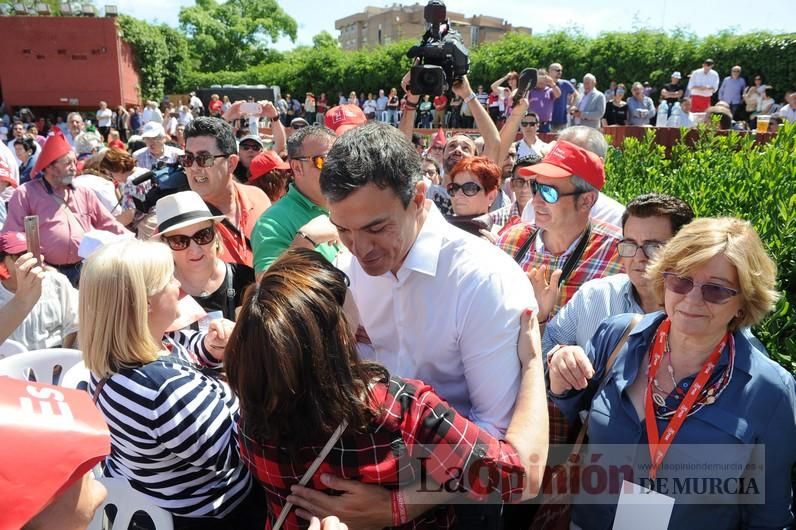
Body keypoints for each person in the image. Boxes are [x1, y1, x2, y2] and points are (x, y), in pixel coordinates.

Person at [225, 248, 548, 529]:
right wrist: (533, 365)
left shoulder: (253, 410)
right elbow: (520, 479)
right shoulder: (400, 408)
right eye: (344, 283)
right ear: (337, 322)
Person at [548, 217, 796, 529]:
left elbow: (769, 517)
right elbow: (569, 413)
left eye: (716, 290)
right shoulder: (617, 335)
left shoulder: (770, 391)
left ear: (743, 303)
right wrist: (561, 381)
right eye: (680, 280)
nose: (692, 299)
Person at [80, 239, 266, 529]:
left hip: (157, 494)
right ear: (146, 303)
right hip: (216, 511)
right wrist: (255, 381)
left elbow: (178, 351)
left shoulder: (114, 356)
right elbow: (240, 451)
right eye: (169, 279)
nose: (178, 287)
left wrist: (209, 348)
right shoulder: (164, 391)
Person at [542, 193, 695, 353]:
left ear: (683, 251)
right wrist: (559, 357)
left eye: (654, 247)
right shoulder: (593, 296)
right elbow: (546, 349)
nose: (638, 257)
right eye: (630, 244)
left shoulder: (698, 311)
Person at [497, 139, 622, 324]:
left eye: (549, 192)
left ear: (586, 201)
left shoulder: (618, 254)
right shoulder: (510, 242)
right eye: (535, 187)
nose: (536, 201)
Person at [4, 130, 128, 286]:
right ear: (49, 167)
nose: (74, 168)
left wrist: (132, 240)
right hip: (46, 273)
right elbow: (11, 237)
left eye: (74, 162)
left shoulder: (83, 192)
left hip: (85, 269)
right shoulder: (25, 194)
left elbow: (109, 224)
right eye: (68, 163)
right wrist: (40, 266)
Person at [183, 117, 271, 268]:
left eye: (204, 158)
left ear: (231, 164)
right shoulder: (177, 218)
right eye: (188, 158)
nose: (194, 167)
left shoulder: (258, 198)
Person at [251, 125, 340, 273]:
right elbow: (268, 288)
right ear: (297, 167)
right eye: (323, 161)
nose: (336, 168)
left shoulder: (352, 204)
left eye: (339, 159)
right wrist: (306, 240)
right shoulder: (270, 224)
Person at [154, 191, 255, 321]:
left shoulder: (245, 279)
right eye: (179, 241)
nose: (194, 249)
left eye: (202, 236)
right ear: (165, 245)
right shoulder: (157, 294)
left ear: (216, 234)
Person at [0, 231, 78, 350]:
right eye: (19, 255)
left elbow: (74, 324)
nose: (28, 259)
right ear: (2, 262)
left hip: (58, 358)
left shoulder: (57, 282)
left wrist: (61, 360)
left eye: (32, 253)